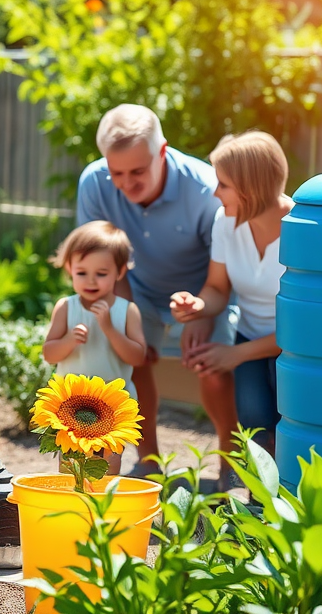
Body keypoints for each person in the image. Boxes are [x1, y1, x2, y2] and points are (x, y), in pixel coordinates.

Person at [77, 104, 238, 487]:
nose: (127, 183)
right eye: (117, 173)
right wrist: (129, 323)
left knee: (212, 364)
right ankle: (147, 460)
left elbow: (225, 268)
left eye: (138, 171)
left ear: (162, 152)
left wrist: (201, 314)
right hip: (138, 292)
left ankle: (231, 468)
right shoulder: (94, 183)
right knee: (127, 359)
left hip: (205, 294)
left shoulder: (203, 188)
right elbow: (103, 264)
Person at [170, 132, 292, 456]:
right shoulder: (226, 220)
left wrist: (235, 355)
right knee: (252, 421)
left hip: (296, 347)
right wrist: (196, 305)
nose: (214, 193)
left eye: (223, 184)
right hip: (249, 335)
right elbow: (218, 289)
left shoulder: (303, 229)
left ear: (250, 189)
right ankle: (255, 501)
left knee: (289, 424)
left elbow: (311, 323)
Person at [42, 220, 147, 473]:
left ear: (119, 272)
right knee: (70, 465)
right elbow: (49, 353)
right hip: (69, 408)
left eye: (101, 274)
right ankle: (73, 508)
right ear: (69, 268)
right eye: (81, 273)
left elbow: (138, 357)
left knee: (109, 464)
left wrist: (110, 328)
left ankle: (103, 509)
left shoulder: (126, 311)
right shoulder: (67, 308)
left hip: (113, 409)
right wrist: (68, 340)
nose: (91, 281)